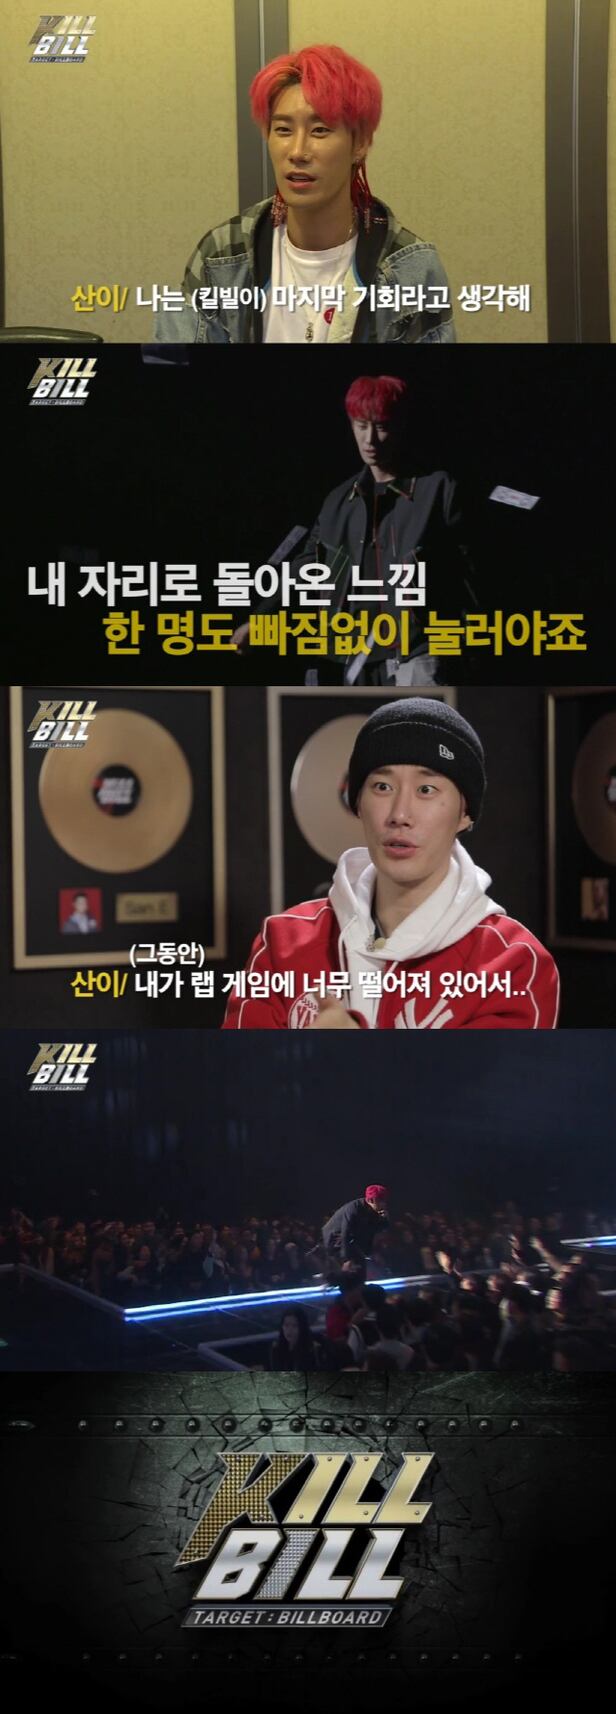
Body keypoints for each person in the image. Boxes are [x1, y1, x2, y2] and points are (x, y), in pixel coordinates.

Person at [223, 697, 560, 1030]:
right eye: (382, 786)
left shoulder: (511, 963)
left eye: (426, 789)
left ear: (465, 814)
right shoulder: (284, 943)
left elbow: (493, 1069)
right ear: (357, 803)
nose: (399, 814)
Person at [153, 44, 454, 346]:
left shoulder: (410, 269)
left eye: (320, 130)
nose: (297, 152)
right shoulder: (222, 256)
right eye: (283, 130)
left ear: (360, 143)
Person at [232, 375, 474, 684]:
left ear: (400, 426)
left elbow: (469, 576)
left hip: (417, 652)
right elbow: (304, 569)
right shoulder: (338, 502)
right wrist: (260, 621)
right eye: (361, 426)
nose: (370, 439)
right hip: (349, 659)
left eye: (381, 427)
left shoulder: (437, 490)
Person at [321, 1185, 389, 1274]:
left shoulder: (373, 1210)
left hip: (350, 1241)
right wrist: (346, 1259)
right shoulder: (353, 1209)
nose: (384, 1204)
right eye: (380, 1201)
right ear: (371, 1200)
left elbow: (378, 1229)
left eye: (384, 1200)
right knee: (354, 1267)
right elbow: (345, 1233)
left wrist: (384, 1219)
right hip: (334, 1239)